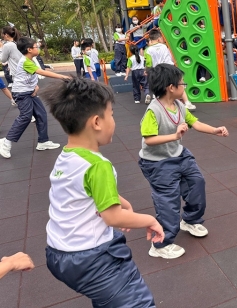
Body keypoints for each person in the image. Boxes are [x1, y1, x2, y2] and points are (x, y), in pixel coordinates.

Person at [40, 78, 163, 307]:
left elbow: (82, 191)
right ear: (97, 122)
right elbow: (112, 218)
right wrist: (150, 220)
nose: (113, 120)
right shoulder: (98, 165)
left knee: (109, 300)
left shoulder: (67, 156)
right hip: (91, 259)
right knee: (137, 302)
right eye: (111, 114)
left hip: (58, 254)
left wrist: (120, 201)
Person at [138, 64, 229, 259]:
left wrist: (215, 130)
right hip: (157, 162)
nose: (184, 86)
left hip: (179, 155)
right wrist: (175, 135)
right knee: (168, 200)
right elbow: (149, 139)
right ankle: (160, 244)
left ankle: (190, 220)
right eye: (182, 84)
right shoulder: (153, 111)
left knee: (197, 182)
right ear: (171, 87)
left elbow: (195, 123)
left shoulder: (179, 106)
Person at [0, 37, 68, 159]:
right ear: (29, 49)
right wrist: (63, 77)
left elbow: (30, 76)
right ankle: (6, 142)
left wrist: (35, 87)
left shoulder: (30, 60)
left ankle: (43, 141)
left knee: (41, 114)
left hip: (29, 92)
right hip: (21, 94)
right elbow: (41, 72)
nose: (38, 48)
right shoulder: (25, 61)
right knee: (26, 116)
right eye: (36, 47)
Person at [144, 29, 196, 111]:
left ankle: (160, 106)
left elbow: (149, 63)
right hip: (170, 68)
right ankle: (187, 102)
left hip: (159, 71)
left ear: (150, 39)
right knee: (178, 84)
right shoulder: (164, 46)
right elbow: (170, 57)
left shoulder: (148, 50)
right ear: (159, 38)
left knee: (160, 88)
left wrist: (147, 71)